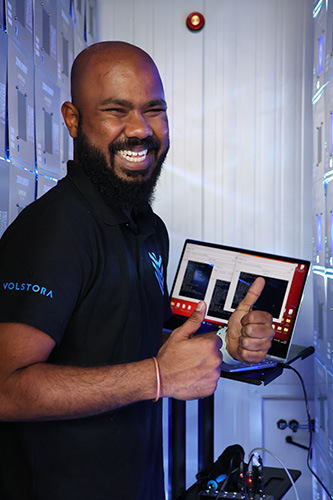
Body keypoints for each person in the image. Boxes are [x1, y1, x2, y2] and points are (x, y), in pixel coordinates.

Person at [0, 42, 274, 500]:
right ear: (72, 119)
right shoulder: (53, 230)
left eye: (154, 110)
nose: (140, 129)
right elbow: (5, 389)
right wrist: (158, 378)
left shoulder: (148, 229)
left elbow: (121, 341)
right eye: (116, 110)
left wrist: (225, 343)